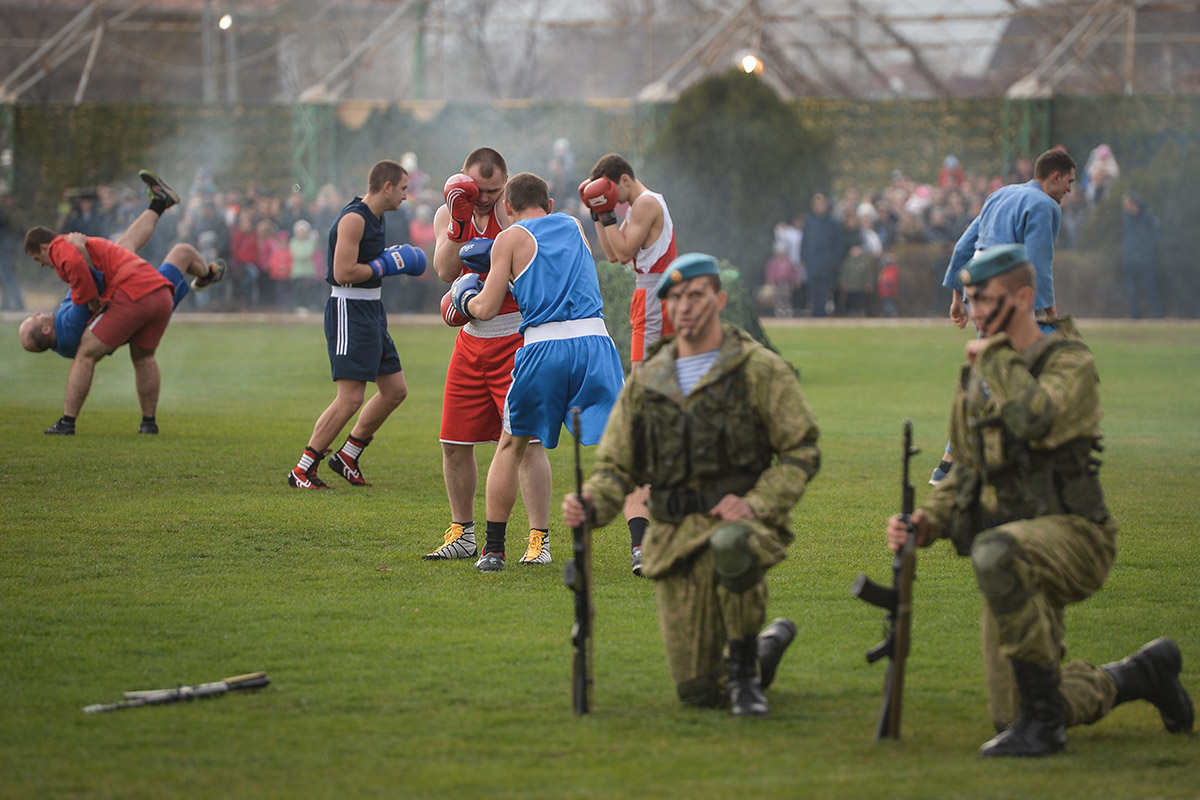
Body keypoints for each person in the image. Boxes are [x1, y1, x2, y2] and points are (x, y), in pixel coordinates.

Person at [886, 243, 1193, 756]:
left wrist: (997, 359)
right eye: (970, 299)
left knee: (994, 551)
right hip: (1012, 545)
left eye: (985, 300)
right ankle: (1141, 675)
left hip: (1076, 536)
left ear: (1024, 297)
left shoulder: (1069, 362)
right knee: (1013, 713)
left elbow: (1038, 419)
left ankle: (1045, 732)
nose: (975, 313)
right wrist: (923, 521)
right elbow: (964, 471)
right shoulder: (980, 377)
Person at [562, 253, 821, 717]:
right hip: (674, 534)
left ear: (719, 299)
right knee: (698, 692)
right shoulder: (649, 380)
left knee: (732, 544)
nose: (685, 306)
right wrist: (591, 505)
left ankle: (744, 672)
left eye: (696, 294)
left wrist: (758, 503)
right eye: (675, 297)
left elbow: (802, 450)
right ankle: (765, 649)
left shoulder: (758, 369)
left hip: (737, 522)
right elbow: (617, 466)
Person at [448, 172, 624, 572]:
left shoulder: (508, 239)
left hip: (543, 346)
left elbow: (488, 307)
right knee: (624, 442)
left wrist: (465, 298)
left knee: (511, 446)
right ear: (549, 203)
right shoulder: (573, 224)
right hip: (594, 342)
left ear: (506, 208)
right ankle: (641, 546)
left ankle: (493, 551)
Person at [423, 148, 554, 568]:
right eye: (478, 190)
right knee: (453, 443)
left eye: (494, 190)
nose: (485, 198)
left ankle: (539, 540)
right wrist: (460, 224)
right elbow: (445, 270)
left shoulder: (516, 214)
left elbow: (538, 272)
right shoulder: (450, 212)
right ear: (463, 180)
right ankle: (462, 533)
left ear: (505, 184)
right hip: (471, 339)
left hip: (515, 338)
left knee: (526, 443)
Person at [22, 171, 219, 435]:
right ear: (46, 330)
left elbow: (82, 276)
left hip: (138, 294)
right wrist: (81, 253)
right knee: (95, 353)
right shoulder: (66, 316)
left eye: (38, 260)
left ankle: (139, 423)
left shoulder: (63, 328)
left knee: (137, 354)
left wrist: (85, 261)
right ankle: (204, 270)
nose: (36, 313)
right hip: (151, 292)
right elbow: (80, 272)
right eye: (34, 318)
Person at [932, 148, 1077, 485]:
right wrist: (1050, 313)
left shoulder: (1001, 194)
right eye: (1068, 183)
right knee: (1028, 368)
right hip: (1006, 296)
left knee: (998, 367)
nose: (1069, 191)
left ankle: (955, 461)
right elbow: (1038, 265)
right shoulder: (1045, 205)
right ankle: (957, 462)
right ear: (1054, 177)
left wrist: (957, 296)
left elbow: (963, 246)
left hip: (977, 291)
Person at [286, 159, 426, 489]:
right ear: (387, 186)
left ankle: (348, 455)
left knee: (394, 391)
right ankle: (303, 469)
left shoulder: (377, 219)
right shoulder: (354, 219)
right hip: (349, 310)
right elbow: (342, 273)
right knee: (350, 398)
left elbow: (368, 265)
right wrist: (387, 265)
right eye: (404, 189)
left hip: (372, 309)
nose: (406, 196)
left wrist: (385, 263)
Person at [581, 152, 681, 575]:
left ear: (623, 180)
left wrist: (604, 215)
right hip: (648, 291)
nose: (613, 203)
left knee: (644, 395)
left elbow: (622, 247)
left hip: (656, 294)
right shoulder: (634, 207)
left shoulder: (644, 202)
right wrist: (600, 216)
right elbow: (618, 256)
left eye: (610, 194)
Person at [1120, 192, 1166, 319]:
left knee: (1151, 288)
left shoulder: (1148, 217)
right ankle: (1136, 316)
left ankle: (1159, 315)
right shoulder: (1126, 218)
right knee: (1133, 290)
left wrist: (1148, 253)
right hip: (1131, 260)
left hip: (1146, 260)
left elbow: (1154, 237)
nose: (1125, 206)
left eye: (1128, 203)